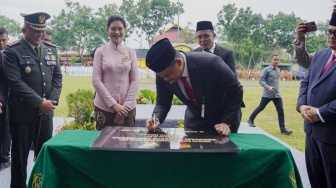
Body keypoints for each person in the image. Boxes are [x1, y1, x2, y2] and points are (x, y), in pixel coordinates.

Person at [2, 12, 62, 187]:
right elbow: (15, 82)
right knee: (20, 158)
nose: (40, 35)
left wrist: (50, 102)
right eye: (35, 30)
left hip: (46, 114)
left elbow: (57, 78)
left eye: (42, 31)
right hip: (22, 115)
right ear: (24, 30)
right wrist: (39, 102)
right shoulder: (12, 51)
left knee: (44, 156)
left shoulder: (51, 49)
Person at [145, 38, 243, 135]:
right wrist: (155, 118)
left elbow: (236, 91)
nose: (165, 80)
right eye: (162, 77)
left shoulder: (210, 63)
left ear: (178, 63)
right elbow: (162, 103)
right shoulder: (162, 75)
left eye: (167, 75)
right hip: (195, 118)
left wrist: (226, 122)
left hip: (223, 115)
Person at [297, 12, 336, 187]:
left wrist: (320, 112)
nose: (332, 36)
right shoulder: (321, 54)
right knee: (316, 181)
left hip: (332, 134)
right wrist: (302, 105)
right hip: (312, 132)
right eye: (330, 32)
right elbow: (306, 82)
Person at [193, 20, 245, 124]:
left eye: (206, 36)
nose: (203, 40)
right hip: (204, 109)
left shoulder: (227, 54)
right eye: (199, 37)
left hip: (225, 105)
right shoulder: (192, 55)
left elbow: (231, 80)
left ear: (214, 35)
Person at [92, 14, 139, 130]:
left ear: (125, 30)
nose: (117, 32)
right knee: (103, 144)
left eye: (120, 29)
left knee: (127, 144)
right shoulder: (100, 52)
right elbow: (96, 80)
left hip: (127, 109)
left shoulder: (130, 52)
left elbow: (135, 80)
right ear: (107, 30)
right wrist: (114, 105)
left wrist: (125, 106)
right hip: (104, 107)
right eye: (113, 28)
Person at [247, 55, 293, 135]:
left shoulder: (278, 70)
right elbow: (261, 80)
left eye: (277, 60)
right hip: (267, 94)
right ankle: (250, 119)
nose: (276, 61)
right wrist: (268, 87)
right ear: (271, 60)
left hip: (277, 94)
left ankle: (283, 129)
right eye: (274, 59)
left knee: (280, 111)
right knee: (261, 107)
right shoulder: (266, 69)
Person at [292, 4, 336, 69]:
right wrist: (300, 36)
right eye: (329, 31)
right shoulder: (320, 56)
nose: (332, 36)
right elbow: (302, 59)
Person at [0, 27, 10, 171]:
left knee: (5, 128)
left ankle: (4, 158)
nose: (2, 43)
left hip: (9, 97)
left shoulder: (11, 54)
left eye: (4, 40)